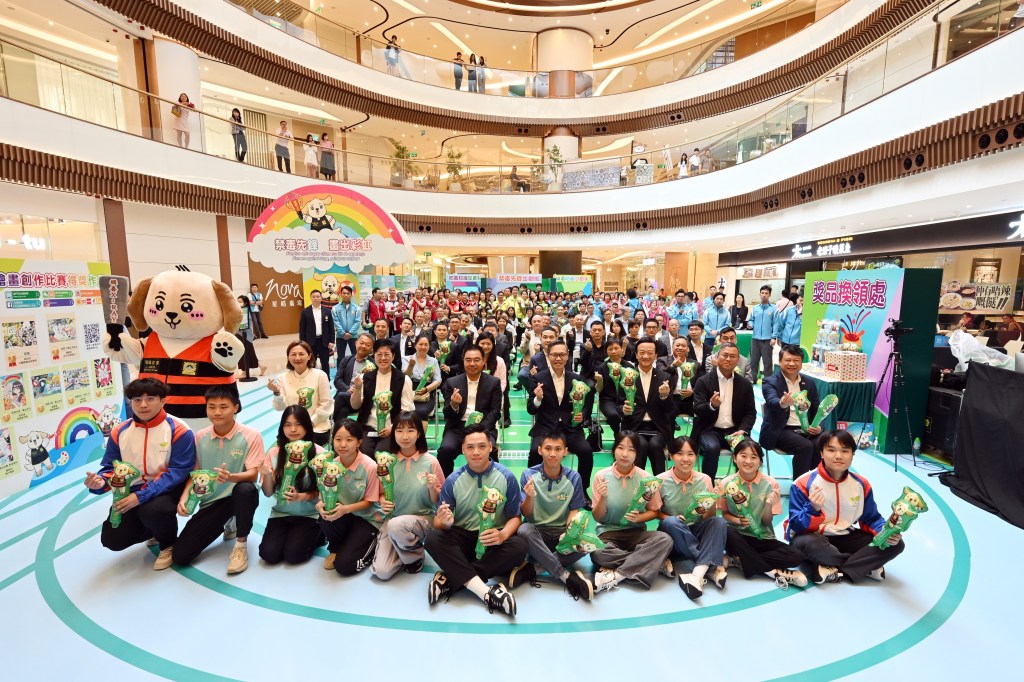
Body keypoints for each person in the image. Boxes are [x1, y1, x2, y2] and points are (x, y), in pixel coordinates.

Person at [84, 378, 195, 569]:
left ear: (163, 401)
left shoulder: (179, 429)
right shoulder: (120, 431)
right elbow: (111, 467)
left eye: (150, 398)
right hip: (132, 491)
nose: (143, 405)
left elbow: (178, 471)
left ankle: (167, 544)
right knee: (113, 540)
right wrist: (100, 482)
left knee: (153, 510)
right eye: (137, 400)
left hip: (168, 489)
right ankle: (153, 529)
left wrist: (140, 497)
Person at [424, 425, 526, 617]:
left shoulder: (506, 477)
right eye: (470, 447)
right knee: (432, 538)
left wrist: (502, 535)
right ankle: (485, 592)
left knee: (519, 546)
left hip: (491, 540)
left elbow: (515, 517)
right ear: (463, 449)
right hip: (463, 538)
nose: (476, 452)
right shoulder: (453, 480)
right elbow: (438, 523)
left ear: (491, 447)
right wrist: (445, 522)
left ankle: (451, 579)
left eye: (481, 446)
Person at [788, 429, 904, 584]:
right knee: (810, 545)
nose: (838, 456)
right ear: (821, 453)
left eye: (845, 451)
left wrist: (886, 532)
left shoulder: (861, 484)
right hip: (813, 538)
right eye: (831, 450)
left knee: (894, 544)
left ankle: (830, 568)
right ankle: (862, 566)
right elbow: (796, 525)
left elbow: (871, 519)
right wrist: (812, 509)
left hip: (845, 536)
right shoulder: (803, 483)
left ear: (852, 455)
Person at [172, 386, 263, 574]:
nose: (217, 412)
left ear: (235, 407)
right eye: (211, 407)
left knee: (246, 490)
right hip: (212, 503)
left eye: (223, 407)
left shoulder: (251, 435)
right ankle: (228, 521)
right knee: (180, 556)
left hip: (238, 496)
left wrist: (231, 477)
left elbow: (253, 474)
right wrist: (184, 496)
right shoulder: (200, 436)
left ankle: (240, 544)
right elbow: (195, 473)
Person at [510, 432, 595, 601]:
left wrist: (570, 532)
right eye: (548, 448)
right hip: (536, 534)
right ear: (540, 450)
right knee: (523, 530)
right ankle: (566, 577)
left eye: (558, 449)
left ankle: (536, 569)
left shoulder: (574, 477)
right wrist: (530, 497)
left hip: (561, 534)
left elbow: (574, 510)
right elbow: (526, 513)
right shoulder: (528, 475)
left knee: (588, 543)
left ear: (565, 451)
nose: (553, 454)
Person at [590, 432, 674, 592]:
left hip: (637, 533)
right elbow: (597, 517)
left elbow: (654, 511)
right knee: (596, 552)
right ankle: (652, 561)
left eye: (631, 449)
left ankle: (617, 574)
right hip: (608, 533)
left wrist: (639, 518)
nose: (625, 454)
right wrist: (603, 498)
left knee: (665, 540)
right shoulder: (601, 476)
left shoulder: (645, 478)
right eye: (621, 448)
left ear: (637, 453)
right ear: (614, 449)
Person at [719, 439, 807, 589]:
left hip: (763, 537)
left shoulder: (771, 484)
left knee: (797, 557)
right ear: (734, 458)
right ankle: (773, 573)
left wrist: (768, 504)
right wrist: (737, 520)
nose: (748, 461)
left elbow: (766, 522)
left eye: (753, 457)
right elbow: (725, 514)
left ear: (760, 462)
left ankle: (740, 560)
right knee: (724, 529)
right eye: (743, 456)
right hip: (738, 538)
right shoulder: (726, 483)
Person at [371, 412, 443, 579]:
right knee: (382, 572)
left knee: (397, 526)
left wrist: (432, 488)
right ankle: (402, 548)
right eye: (399, 430)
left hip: (423, 520)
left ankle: (415, 556)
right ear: (393, 433)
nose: (405, 436)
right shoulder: (386, 462)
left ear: (418, 434)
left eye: (410, 430)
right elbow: (381, 493)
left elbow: (438, 501)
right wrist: (383, 502)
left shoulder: (431, 462)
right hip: (393, 519)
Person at [657, 437, 728, 599]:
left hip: (695, 530)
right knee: (671, 522)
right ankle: (710, 566)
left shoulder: (704, 479)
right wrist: (671, 517)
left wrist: (713, 500)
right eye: (680, 454)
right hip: (673, 533)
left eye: (690, 454)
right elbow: (655, 512)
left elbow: (708, 517)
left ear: (696, 456)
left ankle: (698, 572)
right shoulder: (661, 480)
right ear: (671, 456)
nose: (685, 459)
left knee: (718, 522)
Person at [526, 340, 594, 499]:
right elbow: (531, 409)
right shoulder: (538, 378)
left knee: (586, 451)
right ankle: (532, 490)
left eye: (562, 355)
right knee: (534, 452)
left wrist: (581, 415)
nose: (558, 358)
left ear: (567, 356)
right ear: (548, 356)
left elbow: (584, 405)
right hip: (545, 428)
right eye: (555, 355)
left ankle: (582, 491)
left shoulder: (576, 378)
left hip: (570, 428)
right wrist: (537, 399)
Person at [316, 419, 384, 575]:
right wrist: (319, 505)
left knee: (344, 566)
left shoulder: (370, 466)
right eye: (338, 439)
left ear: (359, 442)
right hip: (345, 516)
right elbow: (324, 496)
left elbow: (370, 501)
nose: (343, 444)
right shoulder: (330, 466)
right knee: (324, 515)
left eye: (349, 440)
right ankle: (337, 547)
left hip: (367, 518)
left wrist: (345, 509)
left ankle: (372, 545)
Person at [258, 407, 325, 565]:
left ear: (307, 426)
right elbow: (267, 493)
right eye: (287, 425)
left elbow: (325, 492)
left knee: (294, 555)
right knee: (269, 555)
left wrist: (301, 496)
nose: (293, 429)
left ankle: (321, 535)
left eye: (298, 424)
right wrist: (267, 476)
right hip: (281, 513)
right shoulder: (274, 453)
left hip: (310, 514)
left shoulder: (320, 454)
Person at [691, 343, 757, 479]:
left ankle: (742, 484)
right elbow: (697, 408)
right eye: (725, 355)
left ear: (738, 360)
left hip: (735, 430)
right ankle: (708, 485)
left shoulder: (745, 384)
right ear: (717, 357)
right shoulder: (703, 381)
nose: (728, 359)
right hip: (709, 429)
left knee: (749, 449)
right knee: (712, 448)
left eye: (733, 356)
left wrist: (743, 430)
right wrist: (712, 405)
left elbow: (750, 412)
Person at [437, 345, 502, 475]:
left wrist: (480, 430)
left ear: (483, 361)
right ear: (463, 361)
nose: (472, 363)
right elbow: (447, 414)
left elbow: (495, 412)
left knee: (491, 451)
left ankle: (493, 482)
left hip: (483, 426)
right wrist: (454, 404)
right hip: (458, 426)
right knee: (445, 450)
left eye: (476, 360)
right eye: (468, 360)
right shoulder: (452, 382)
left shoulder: (493, 382)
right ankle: (446, 484)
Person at [760, 344, 822, 479]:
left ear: (801, 362)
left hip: (806, 429)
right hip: (781, 430)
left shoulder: (809, 382)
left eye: (796, 360)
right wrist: (782, 403)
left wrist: (818, 427)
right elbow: (771, 400)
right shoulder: (770, 382)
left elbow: (817, 409)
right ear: (780, 361)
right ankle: (799, 486)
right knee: (806, 446)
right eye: (788, 360)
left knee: (824, 441)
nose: (792, 364)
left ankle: (815, 482)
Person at [617, 337, 676, 474]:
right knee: (641, 445)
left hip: (658, 427)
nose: (645, 356)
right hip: (634, 426)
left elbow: (670, 409)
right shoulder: (627, 376)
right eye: (642, 352)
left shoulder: (665, 377)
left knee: (655, 445)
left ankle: (659, 482)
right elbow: (618, 405)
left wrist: (664, 396)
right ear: (636, 354)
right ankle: (636, 482)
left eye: (650, 353)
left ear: (656, 355)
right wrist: (624, 409)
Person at [349, 339, 415, 455]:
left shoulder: (404, 379)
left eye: (386, 354)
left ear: (393, 356)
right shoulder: (364, 378)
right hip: (368, 427)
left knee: (382, 454)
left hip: (392, 427)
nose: (383, 358)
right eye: (379, 354)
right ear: (373, 355)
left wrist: (393, 427)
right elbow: (355, 406)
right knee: (364, 452)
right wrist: (357, 389)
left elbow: (407, 410)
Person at [268, 341, 332, 446]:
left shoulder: (320, 375)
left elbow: (326, 405)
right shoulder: (282, 378)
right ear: (288, 357)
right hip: (291, 429)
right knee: (285, 450)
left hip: (316, 427)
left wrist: (309, 423)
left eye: (301, 354)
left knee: (303, 450)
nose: (297, 358)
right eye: (293, 354)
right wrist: (277, 393)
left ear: (309, 356)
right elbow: (280, 407)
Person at [403, 333, 441, 429]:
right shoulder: (407, 359)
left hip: (426, 394)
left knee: (421, 411)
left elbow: (438, 380)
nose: (423, 347)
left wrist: (426, 389)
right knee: (406, 410)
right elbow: (405, 377)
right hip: (409, 393)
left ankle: (420, 438)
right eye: (420, 344)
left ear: (429, 346)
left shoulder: (433, 361)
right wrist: (411, 366)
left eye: (426, 345)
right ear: (415, 345)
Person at [334, 332, 374, 423]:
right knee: (343, 411)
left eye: (367, 345)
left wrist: (358, 390)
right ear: (356, 343)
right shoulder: (346, 359)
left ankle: (331, 425)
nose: (363, 346)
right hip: (347, 395)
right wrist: (348, 389)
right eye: (361, 343)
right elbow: (337, 380)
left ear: (372, 348)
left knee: (340, 396)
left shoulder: (373, 364)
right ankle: (338, 429)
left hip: (362, 398)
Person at [298, 289, 335, 372]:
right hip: (310, 342)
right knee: (311, 363)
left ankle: (326, 379)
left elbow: (331, 327)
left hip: (324, 341)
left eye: (318, 296)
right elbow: (302, 329)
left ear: (321, 298)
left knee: (325, 363)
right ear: (310, 298)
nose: (316, 298)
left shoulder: (327, 311)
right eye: (313, 297)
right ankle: (313, 379)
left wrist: (331, 341)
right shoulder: (305, 312)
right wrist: (303, 343)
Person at [749, 285, 780, 382]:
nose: (764, 295)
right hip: (755, 338)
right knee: (753, 361)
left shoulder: (774, 309)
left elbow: (776, 324)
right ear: (760, 294)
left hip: (767, 339)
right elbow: (751, 320)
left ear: (769, 295)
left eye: (766, 293)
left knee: (767, 362)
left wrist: (774, 337)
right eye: (762, 293)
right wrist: (750, 324)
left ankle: (768, 382)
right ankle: (752, 379)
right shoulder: (755, 308)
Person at [235, 295, 264, 376]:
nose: (238, 303)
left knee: (245, 353)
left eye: (240, 302)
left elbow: (242, 324)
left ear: (245, 303)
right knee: (249, 353)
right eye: (237, 301)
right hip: (240, 335)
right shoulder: (240, 311)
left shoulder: (245, 311)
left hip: (245, 335)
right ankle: (261, 367)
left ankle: (245, 372)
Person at [331, 285, 361, 360]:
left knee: (356, 355)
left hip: (353, 336)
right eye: (344, 293)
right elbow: (336, 322)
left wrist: (350, 333)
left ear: (351, 295)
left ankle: (354, 368)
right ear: (341, 294)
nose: (346, 295)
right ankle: (340, 368)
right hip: (340, 336)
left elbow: (357, 322)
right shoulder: (335, 308)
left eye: (348, 293)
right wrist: (343, 333)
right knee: (340, 357)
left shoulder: (357, 308)